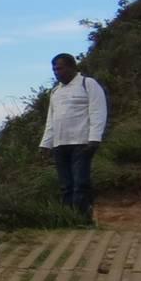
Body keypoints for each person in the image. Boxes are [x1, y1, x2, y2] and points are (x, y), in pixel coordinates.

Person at [38, 53, 107, 220]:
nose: (56, 72)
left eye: (59, 68)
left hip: (81, 142)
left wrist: (94, 138)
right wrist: (45, 144)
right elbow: (51, 120)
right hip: (60, 144)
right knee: (65, 185)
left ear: (71, 67)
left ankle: (83, 219)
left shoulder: (87, 84)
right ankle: (68, 219)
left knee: (80, 183)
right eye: (54, 69)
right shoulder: (56, 91)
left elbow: (98, 112)